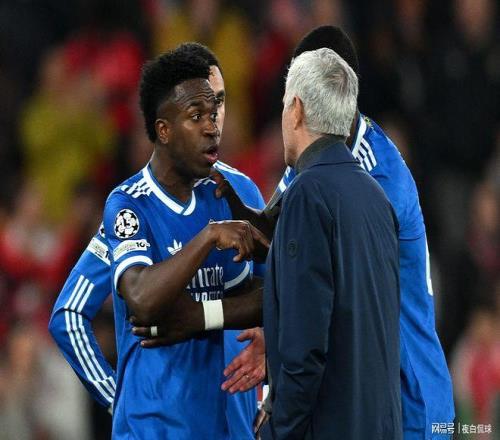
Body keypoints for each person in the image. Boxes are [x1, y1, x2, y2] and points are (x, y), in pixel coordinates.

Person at [210, 26, 454, 440]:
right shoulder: (321, 156)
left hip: (412, 394)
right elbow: (283, 233)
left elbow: (328, 281)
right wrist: (236, 209)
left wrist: (279, 356)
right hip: (370, 388)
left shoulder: (379, 178)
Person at [50, 46, 266, 439]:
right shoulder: (129, 206)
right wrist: (118, 397)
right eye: (199, 113)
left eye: (218, 105)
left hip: (231, 423)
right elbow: (76, 312)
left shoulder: (240, 192)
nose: (214, 124)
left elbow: (279, 293)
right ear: (164, 128)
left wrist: (268, 351)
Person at [259, 47, 401, 439]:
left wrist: (278, 430)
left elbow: (305, 348)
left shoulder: (307, 195)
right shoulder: (376, 197)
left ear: (296, 110)